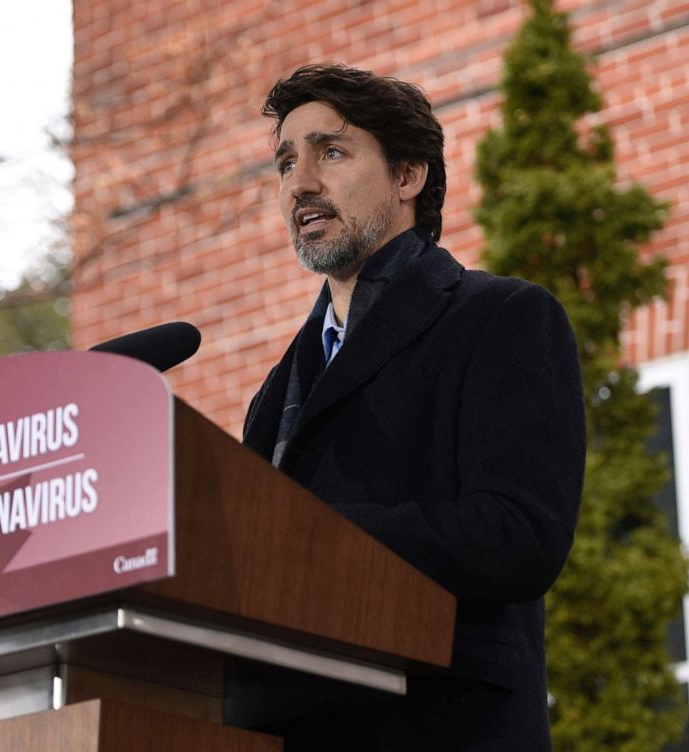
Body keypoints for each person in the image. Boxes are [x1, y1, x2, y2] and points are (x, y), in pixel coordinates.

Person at [239, 63, 586, 750]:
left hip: (438, 723)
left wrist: (312, 537)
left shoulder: (504, 318)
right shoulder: (275, 393)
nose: (299, 183)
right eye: (285, 163)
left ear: (408, 176)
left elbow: (520, 536)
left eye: (330, 151)